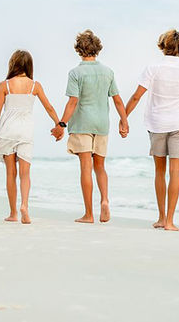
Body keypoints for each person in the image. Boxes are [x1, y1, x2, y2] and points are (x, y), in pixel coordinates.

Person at [124, 29, 179, 231]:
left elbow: (136, 96)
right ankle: (170, 221)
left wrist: (124, 118)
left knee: (160, 172)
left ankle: (160, 217)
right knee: (175, 173)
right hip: (178, 124)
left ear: (162, 46)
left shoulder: (153, 68)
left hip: (157, 124)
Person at [51, 30, 129, 224]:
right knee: (100, 166)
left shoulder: (75, 73)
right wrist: (124, 121)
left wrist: (61, 124)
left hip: (82, 124)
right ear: (97, 49)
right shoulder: (108, 72)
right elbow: (118, 100)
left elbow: (73, 102)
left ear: (79, 49)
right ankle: (105, 200)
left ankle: (88, 214)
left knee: (86, 167)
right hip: (102, 124)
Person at [0, 50, 61, 224]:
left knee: (10, 173)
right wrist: (59, 124)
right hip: (26, 131)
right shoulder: (35, 86)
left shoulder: (5, 85)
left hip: (7, 132)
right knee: (25, 174)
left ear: (13, 64)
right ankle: (24, 206)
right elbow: (49, 107)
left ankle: (13, 213)